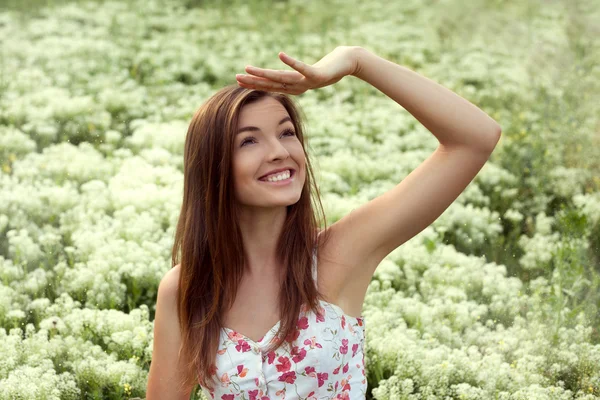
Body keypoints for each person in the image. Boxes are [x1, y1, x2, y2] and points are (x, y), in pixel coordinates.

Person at [146, 45, 502, 399]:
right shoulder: (187, 287)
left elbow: (475, 139)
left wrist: (356, 61)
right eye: (249, 141)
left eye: (286, 133)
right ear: (213, 168)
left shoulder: (341, 254)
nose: (279, 151)